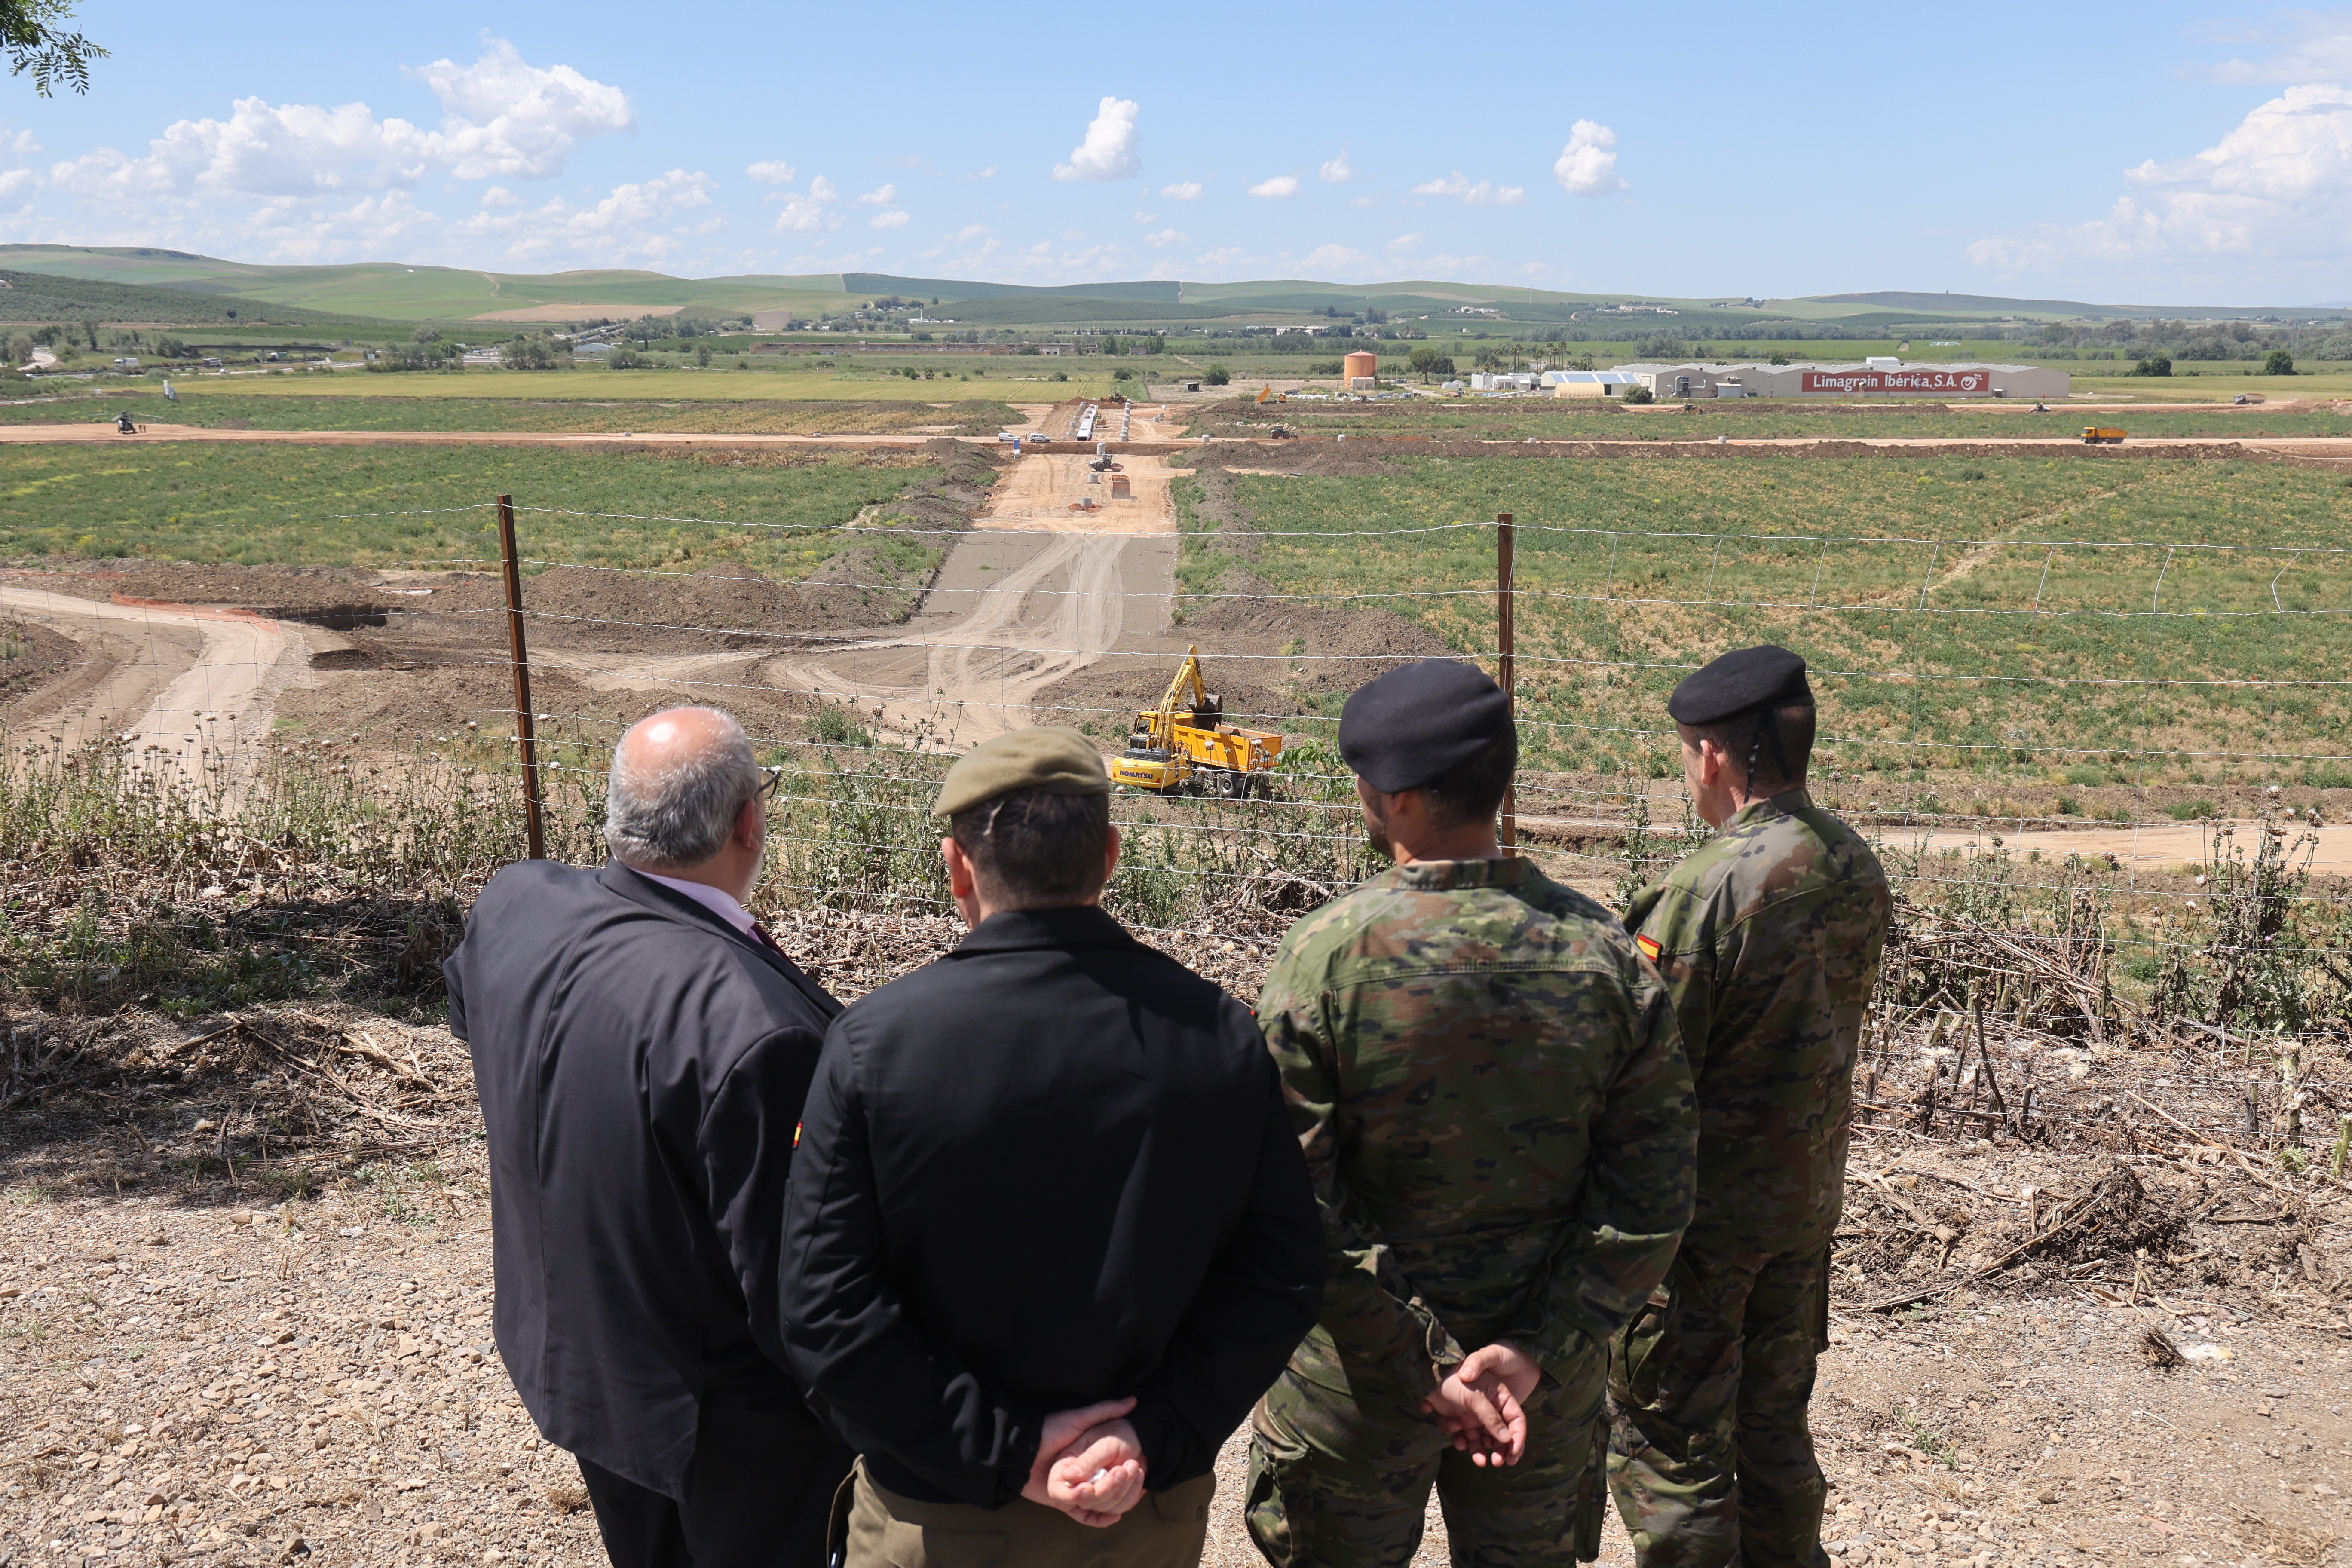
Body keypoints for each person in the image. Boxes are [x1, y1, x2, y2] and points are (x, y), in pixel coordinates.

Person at [776, 726, 1324, 1568]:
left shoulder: (874, 1047)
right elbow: (1281, 1271)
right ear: (1109, 856)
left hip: (938, 1517)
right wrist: (1153, 1433)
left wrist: (1006, 1449)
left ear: (958, 868)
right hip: (1141, 1511)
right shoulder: (1217, 1037)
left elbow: (825, 1308)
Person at [1247, 659, 1698, 1568]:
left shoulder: (1322, 962)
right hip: (1537, 1394)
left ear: (1400, 802)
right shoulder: (1607, 959)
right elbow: (1652, 1196)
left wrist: (1418, 1357)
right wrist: (1535, 1347)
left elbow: (1289, 1200)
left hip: (1359, 1388)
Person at [444, 706, 852, 1568]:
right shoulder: (757, 1028)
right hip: (725, 1428)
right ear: (751, 821)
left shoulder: (516, 904)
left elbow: (472, 1016)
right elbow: (796, 1288)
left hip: (581, 1358)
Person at [1608, 646, 1893, 1568]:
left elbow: (1643, 1063)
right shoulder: (1852, 861)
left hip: (1700, 1230)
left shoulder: (1707, 889)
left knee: (1675, 1447)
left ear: (1713, 758)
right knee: (1773, 1427)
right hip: (1802, 1206)